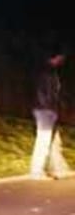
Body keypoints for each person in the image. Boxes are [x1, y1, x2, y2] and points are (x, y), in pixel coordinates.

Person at [30, 51, 72, 180]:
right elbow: (44, 93)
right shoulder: (47, 72)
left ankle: (57, 167)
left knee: (51, 140)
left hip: (47, 110)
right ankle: (37, 171)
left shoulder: (50, 71)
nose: (62, 61)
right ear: (54, 57)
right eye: (60, 57)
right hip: (45, 110)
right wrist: (50, 107)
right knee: (43, 140)